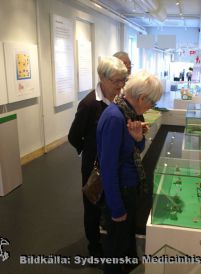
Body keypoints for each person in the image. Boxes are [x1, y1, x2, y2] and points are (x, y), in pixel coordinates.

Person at [96, 71, 163, 274]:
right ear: (142, 98)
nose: (150, 107)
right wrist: (116, 208)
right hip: (120, 192)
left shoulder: (128, 113)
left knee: (124, 240)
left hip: (129, 188)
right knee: (115, 247)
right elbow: (107, 168)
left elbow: (133, 150)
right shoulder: (115, 118)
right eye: (151, 102)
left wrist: (137, 138)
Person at [68, 56, 128, 257]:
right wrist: (90, 150)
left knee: (109, 202)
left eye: (123, 81)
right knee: (92, 205)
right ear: (102, 77)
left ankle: (109, 241)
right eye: (116, 81)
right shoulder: (89, 104)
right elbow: (74, 136)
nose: (120, 87)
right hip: (93, 166)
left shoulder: (118, 100)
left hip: (111, 164)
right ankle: (94, 248)